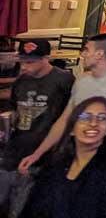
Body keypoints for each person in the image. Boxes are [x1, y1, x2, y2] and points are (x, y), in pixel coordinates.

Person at [19, 33, 106, 174]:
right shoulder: (81, 79)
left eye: (86, 50)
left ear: (99, 54)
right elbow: (64, 119)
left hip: (101, 157)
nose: (82, 54)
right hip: (73, 149)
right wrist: (38, 153)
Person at [21, 96, 106, 218]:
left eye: (102, 118)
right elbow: (31, 208)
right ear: (72, 129)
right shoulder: (54, 164)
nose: (93, 123)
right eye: (85, 117)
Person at [0, 39, 74, 216]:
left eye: (30, 62)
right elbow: (12, 108)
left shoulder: (64, 80)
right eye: (22, 62)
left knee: (23, 205)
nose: (24, 67)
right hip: (16, 147)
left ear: (45, 59)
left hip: (44, 153)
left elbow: (68, 117)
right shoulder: (21, 81)